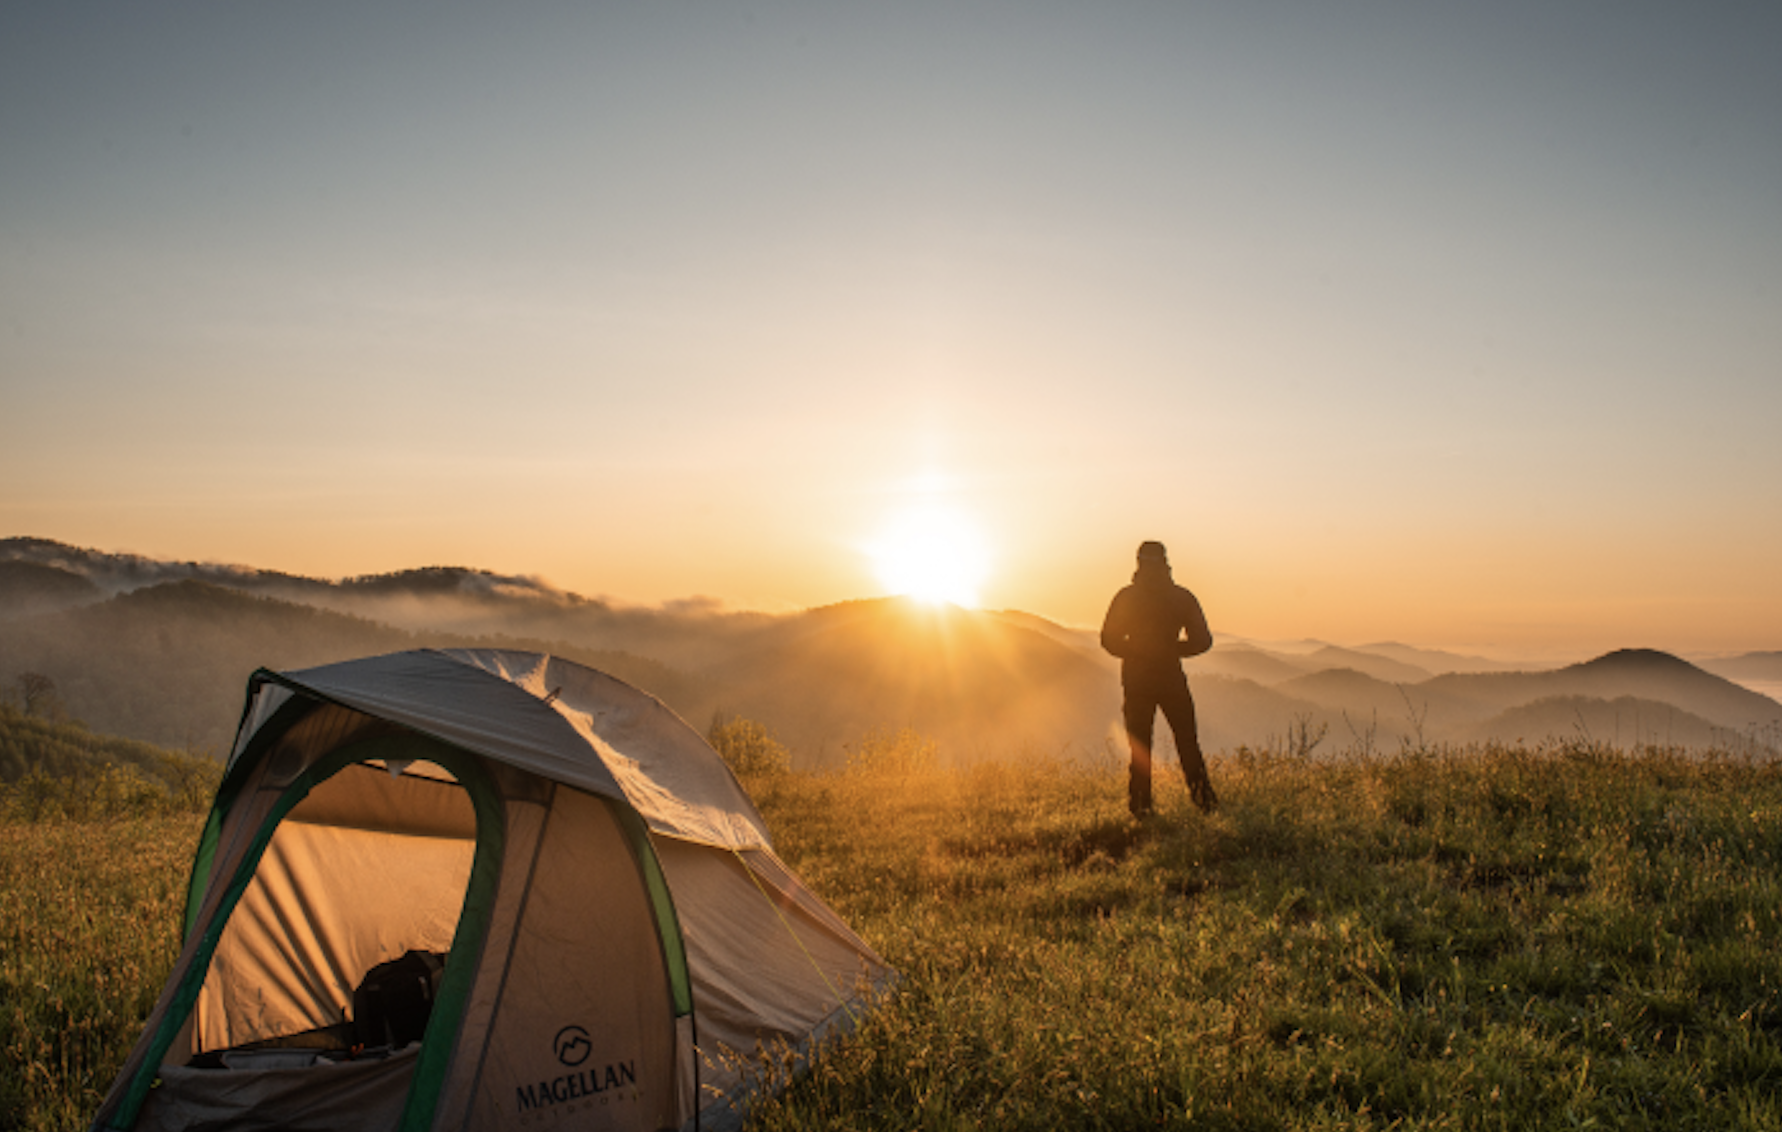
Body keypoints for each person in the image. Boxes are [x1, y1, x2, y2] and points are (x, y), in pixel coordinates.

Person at [1100, 541, 1218, 817]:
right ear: (1166, 562)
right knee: (1187, 741)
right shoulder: (1181, 597)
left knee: (1140, 745)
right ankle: (1205, 802)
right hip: (1171, 678)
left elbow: (1108, 640)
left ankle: (1141, 807)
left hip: (1136, 679)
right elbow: (1203, 641)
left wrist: (1136, 650)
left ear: (1138, 562)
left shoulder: (1126, 597)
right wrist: (1172, 649)